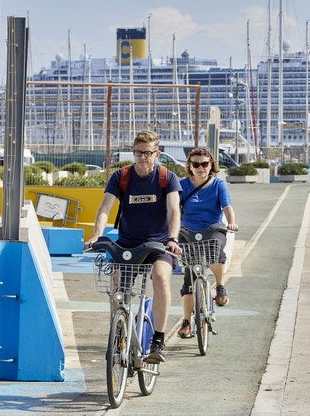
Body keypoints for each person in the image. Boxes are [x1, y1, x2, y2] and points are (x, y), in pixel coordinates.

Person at [84, 131, 182, 363]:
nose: (142, 158)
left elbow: (174, 210)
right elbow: (105, 208)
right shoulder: (121, 176)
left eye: (148, 153)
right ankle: (118, 331)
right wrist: (97, 235)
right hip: (128, 243)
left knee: (160, 278)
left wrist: (173, 238)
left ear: (157, 154)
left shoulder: (167, 177)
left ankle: (158, 340)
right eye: (138, 152)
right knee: (117, 288)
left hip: (159, 244)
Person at [177, 147, 238, 339]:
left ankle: (220, 285)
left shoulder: (218, 185)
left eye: (205, 164)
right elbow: (173, 209)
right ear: (190, 166)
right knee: (189, 278)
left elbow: (227, 207)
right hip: (187, 231)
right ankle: (186, 321)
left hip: (213, 228)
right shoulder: (182, 185)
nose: (201, 168)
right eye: (196, 164)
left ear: (211, 165)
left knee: (215, 251)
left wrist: (231, 222)